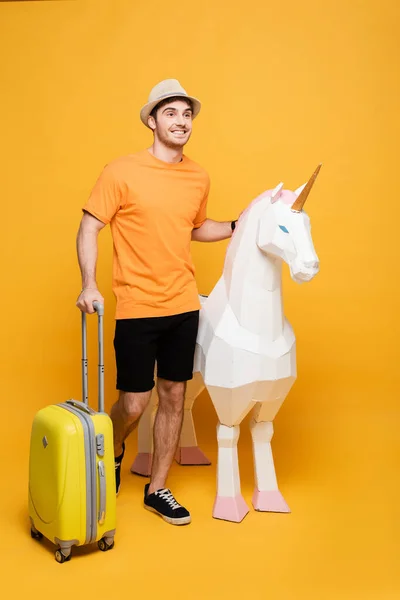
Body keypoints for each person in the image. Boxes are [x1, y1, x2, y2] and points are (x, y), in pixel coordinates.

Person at [76, 79, 238, 526]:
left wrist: (236, 225)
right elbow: (90, 227)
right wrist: (89, 284)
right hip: (136, 304)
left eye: (187, 114)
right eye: (171, 113)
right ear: (152, 121)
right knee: (134, 402)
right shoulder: (121, 171)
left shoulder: (198, 176)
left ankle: (157, 488)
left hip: (183, 304)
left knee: (174, 395)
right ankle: (113, 446)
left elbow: (194, 227)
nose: (181, 121)